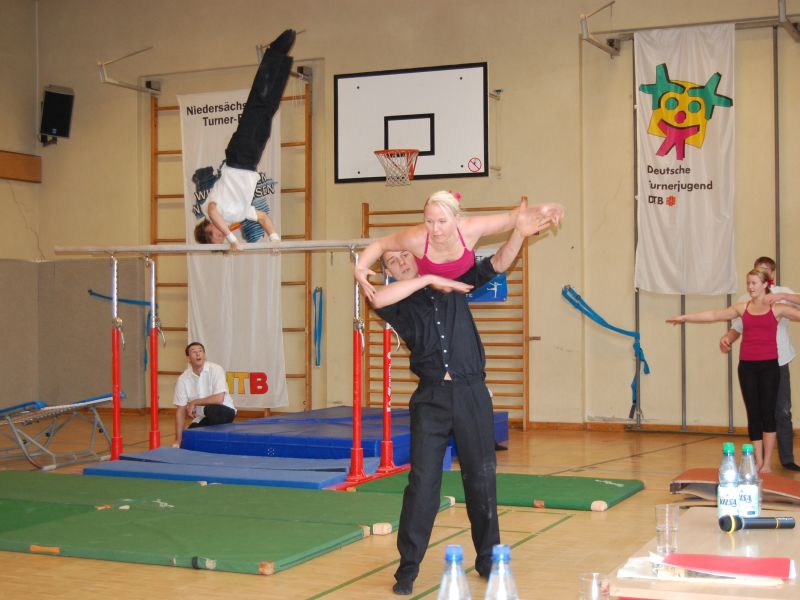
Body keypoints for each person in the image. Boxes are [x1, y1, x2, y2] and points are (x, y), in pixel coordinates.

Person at [371, 203, 558, 595]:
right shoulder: (396, 300)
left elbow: (498, 264)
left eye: (405, 253)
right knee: (422, 484)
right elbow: (377, 300)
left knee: (481, 479)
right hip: (431, 399)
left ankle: (488, 561)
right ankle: (408, 569)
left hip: (471, 394)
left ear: (417, 254)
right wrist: (425, 279)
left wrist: (519, 232)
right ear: (388, 270)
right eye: (392, 260)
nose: (402, 260)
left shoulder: (452, 277)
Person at [668, 268, 800, 474]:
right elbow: (714, 314)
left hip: (769, 367)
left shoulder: (777, 308)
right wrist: (685, 317)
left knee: (768, 414)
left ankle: (767, 463)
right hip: (747, 367)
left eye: (754, 283)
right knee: (753, 414)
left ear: (765, 285)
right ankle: (758, 461)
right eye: (748, 283)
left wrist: (784, 295)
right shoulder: (742, 308)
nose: (750, 287)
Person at [355, 190, 565, 301]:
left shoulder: (471, 228)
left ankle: (520, 235)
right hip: (431, 285)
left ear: (456, 219)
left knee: (500, 264)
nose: (435, 229)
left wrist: (549, 208)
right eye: (429, 221)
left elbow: (513, 217)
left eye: (442, 221)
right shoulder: (417, 238)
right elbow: (380, 244)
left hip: (465, 277)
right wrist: (360, 267)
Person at [192, 29, 296, 251]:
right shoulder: (237, 214)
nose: (222, 234)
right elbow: (263, 218)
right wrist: (275, 240)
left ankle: (275, 52)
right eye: (221, 237)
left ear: (207, 228)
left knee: (258, 104)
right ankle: (282, 59)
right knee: (269, 107)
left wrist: (232, 240)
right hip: (251, 161)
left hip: (238, 156)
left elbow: (213, 213)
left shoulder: (210, 211)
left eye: (216, 236)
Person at [720, 256, 800, 471]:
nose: (755, 280)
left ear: (771, 275)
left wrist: (782, 296)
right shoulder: (748, 298)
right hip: (753, 361)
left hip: (779, 360)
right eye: (757, 270)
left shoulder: (782, 293)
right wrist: (728, 338)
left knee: (781, 410)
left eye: (765, 270)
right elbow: (737, 327)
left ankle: (786, 458)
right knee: (756, 410)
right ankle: (761, 459)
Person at [173, 342, 237, 447]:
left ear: (204, 355)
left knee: (211, 409)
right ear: (188, 359)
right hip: (203, 417)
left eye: (200, 351)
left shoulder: (216, 369)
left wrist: (194, 402)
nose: (198, 354)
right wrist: (178, 440)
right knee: (190, 438)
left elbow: (219, 399)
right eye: (194, 352)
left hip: (224, 411)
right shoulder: (183, 379)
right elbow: (180, 410)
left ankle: (219, 439)